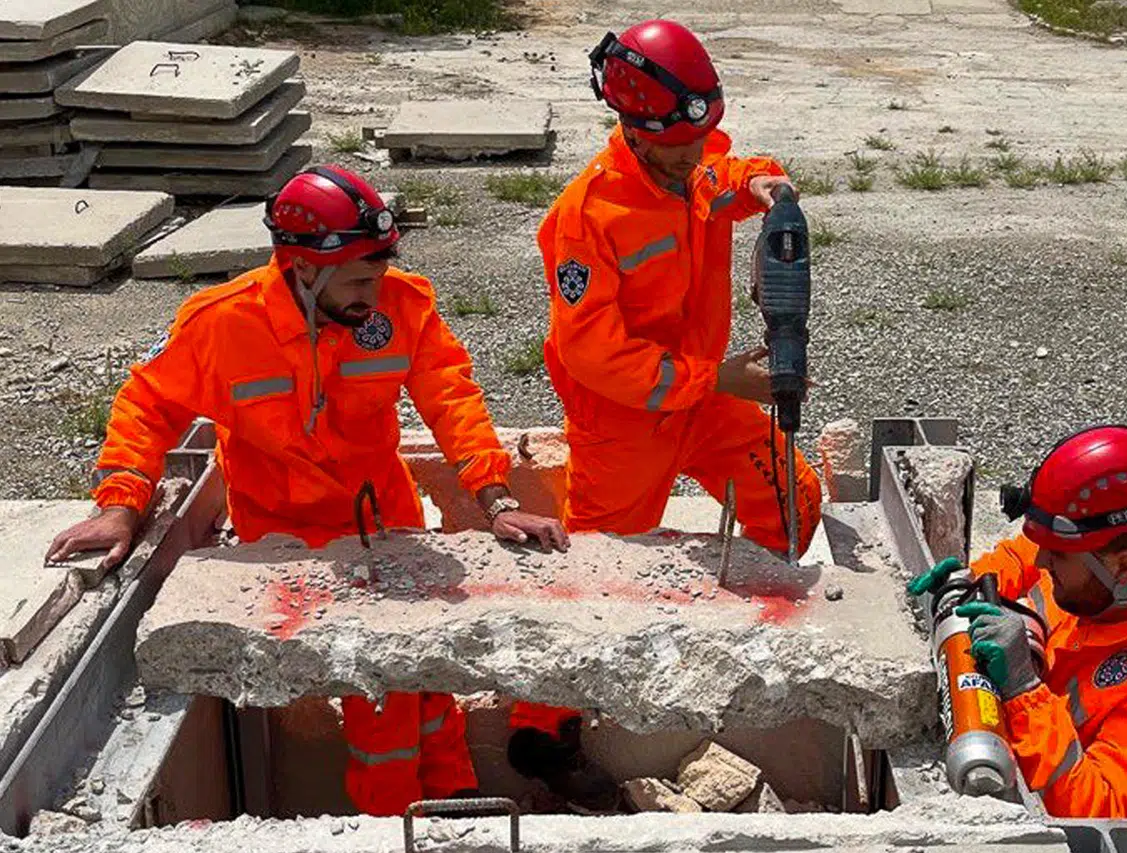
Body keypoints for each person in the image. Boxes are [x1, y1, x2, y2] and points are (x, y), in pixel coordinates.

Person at [44, 165, 569, 818]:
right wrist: (121, 505)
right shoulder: (222, 325)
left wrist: (495, 497)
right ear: (300, 269)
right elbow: (147, 405)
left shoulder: (400, 306)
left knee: (427, 685)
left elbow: (450, 396)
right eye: (356, 280)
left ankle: (457, 793)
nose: (373, 293)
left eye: (378, 275)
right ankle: (393, 824)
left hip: (385, 529)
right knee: (380, 701)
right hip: (287, 548)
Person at [508, 17, 825, 809]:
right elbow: (594, 354)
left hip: (704, 399)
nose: (697, 157)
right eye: (680, 147)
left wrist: (766, 184)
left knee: (793, 499)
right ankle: (543, 731)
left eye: (705, 138)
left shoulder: (694, 162)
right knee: (597, 578)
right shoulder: (587, 217)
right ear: (634, 130)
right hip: (628, 421)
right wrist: (715, 379)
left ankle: (744, 648)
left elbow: (729, 171)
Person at [909, 425, 1127, 852]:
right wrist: (979, 579)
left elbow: (1100, 820)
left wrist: (1024, 689)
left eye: (1057, 554)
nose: (1043, 561)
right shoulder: (1113, 577)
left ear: (1124, 567)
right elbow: (1028, 554)